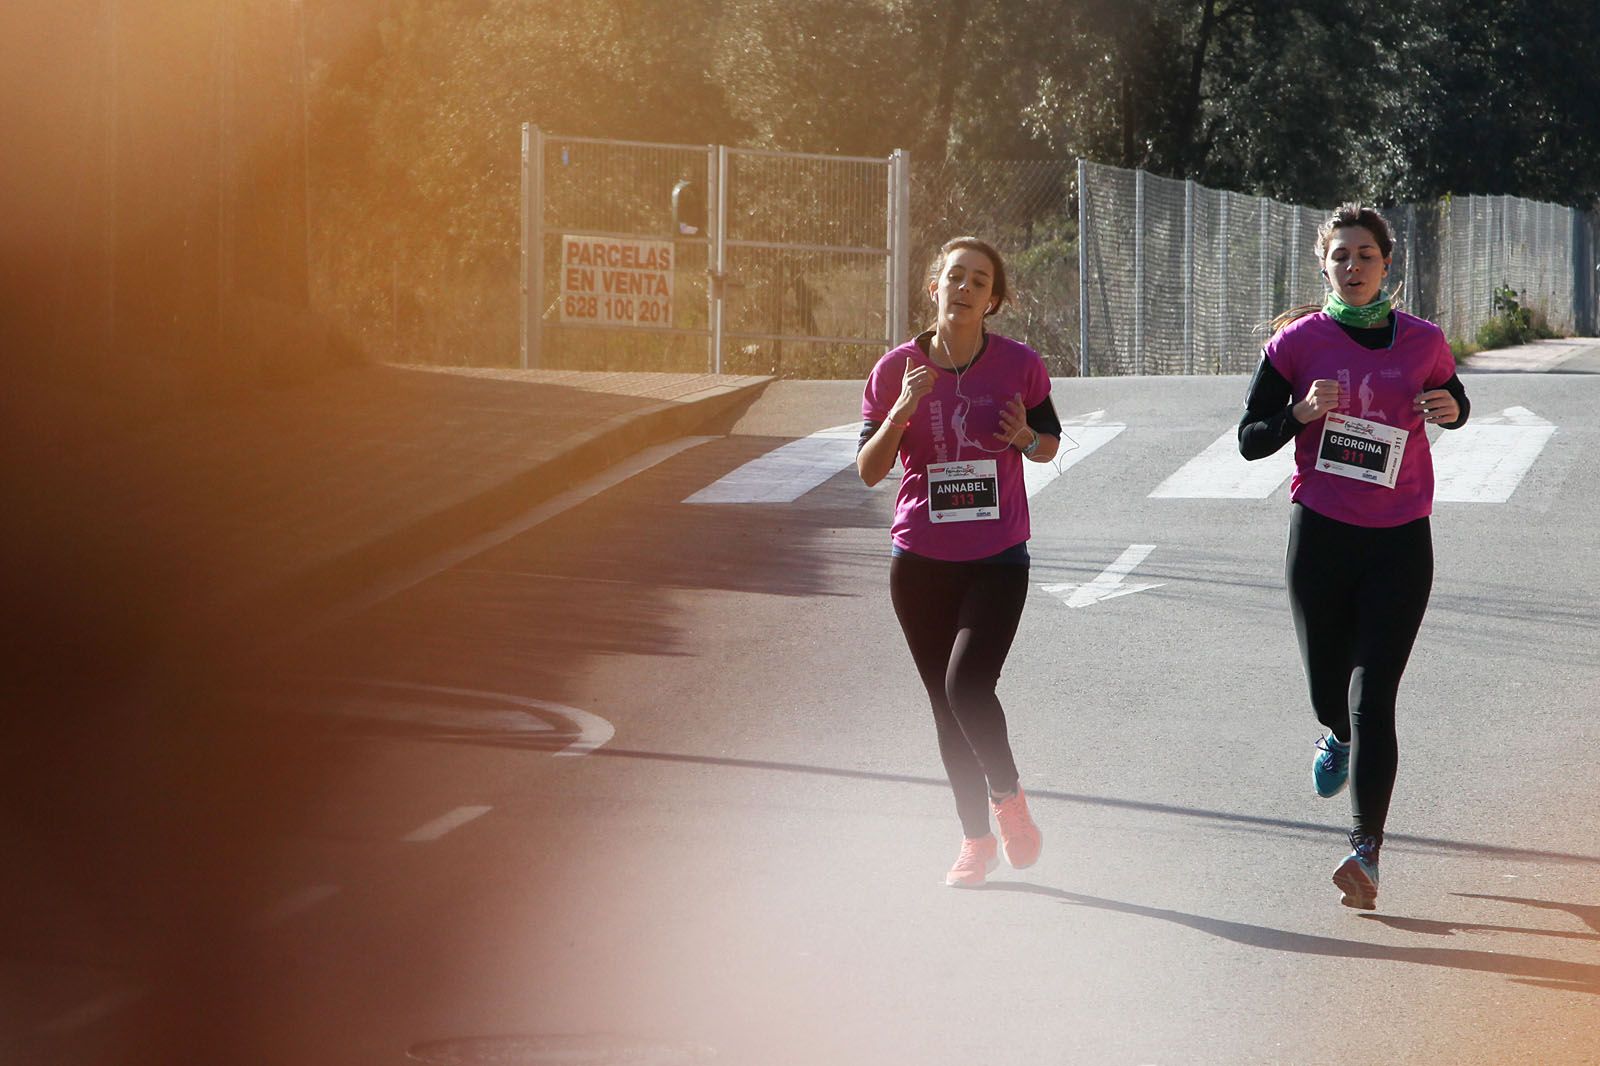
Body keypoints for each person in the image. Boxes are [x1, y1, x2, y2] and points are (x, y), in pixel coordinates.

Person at [1237, 204, 1471, 909]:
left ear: (1386, 264)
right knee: (1329, 694)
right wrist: (1299, 415)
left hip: (1400, 539)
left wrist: (1452, 410)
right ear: (1324, 263)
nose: (1354, 265)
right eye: (1341, 255)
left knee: (1375, 698)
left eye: (1366, 254)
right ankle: (1332, 733)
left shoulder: (1424, 340)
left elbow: (1455, 397)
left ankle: (1365, 850)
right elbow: (1250, 437)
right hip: (1323, 538)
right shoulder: (1298, 344)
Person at [857, 236, 1063, 888]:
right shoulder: (895, 369)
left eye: (979, 280)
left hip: (998, 556)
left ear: (994, 299)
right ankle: (977, 841)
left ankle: (1010, 802)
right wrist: (900, 412)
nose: (965, 288)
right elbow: (868, 471)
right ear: (934, 287)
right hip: (918, 560)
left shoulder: (1020, 365)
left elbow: (1049, 442)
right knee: (944, 707)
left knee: (967, 685)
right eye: (954, 277)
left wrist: (1025, 437)